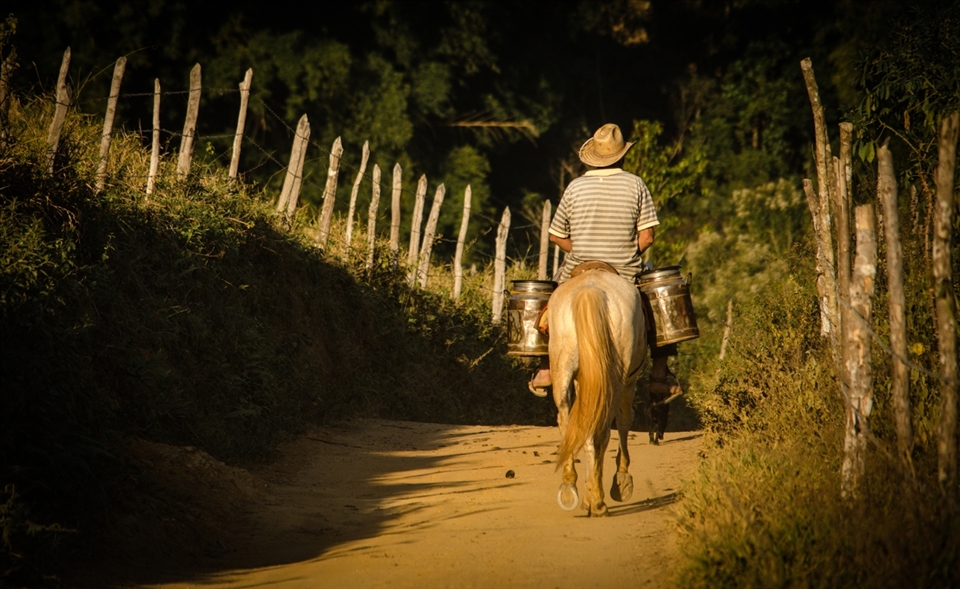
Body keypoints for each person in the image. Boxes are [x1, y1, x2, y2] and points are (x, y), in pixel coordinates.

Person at [529, 123, 679, 403]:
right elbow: (647, 237)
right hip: (623, 270)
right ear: (623, 155)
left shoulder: (575, 186)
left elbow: (556, 235)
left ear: (593, 157)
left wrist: (582, 248)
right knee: (660, 304)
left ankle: (545, 367)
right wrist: (625, 251)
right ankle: (659, 376)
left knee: (546, 305)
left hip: (578, 266)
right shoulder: (636, 184)